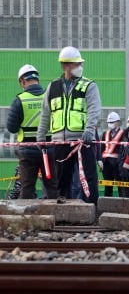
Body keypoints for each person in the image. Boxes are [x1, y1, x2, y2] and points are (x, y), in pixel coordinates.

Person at [37, 46, 100, 203]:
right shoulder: (53, 87)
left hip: (82, 141)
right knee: (61, 180)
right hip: (60, 142)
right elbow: (45, 113)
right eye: (76, 64)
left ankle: (91, 207)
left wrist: (89, 131)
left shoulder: (89, 85)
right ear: (66, 66)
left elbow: (94, 110)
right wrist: (40, 136)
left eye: (80, 64)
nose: (80, 67)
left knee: (88, 177)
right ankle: (62, 211)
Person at [7, 64, 58, 199]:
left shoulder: (19, 100)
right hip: (48, 149)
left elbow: (11, 128)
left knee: (27, 187)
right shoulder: (50, 97)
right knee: (51, 185)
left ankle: (28, 217)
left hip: (27, 151)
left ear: (22, 81)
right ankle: (55, 216)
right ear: (38, 79)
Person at [101, 112, 126, 197]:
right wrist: (100, 160)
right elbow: (102, 147)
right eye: (109, 122)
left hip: (117, 164)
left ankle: (122, 205)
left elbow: (124, 149)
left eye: (112, 122)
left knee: (120, 186)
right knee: (108, 186)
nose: (110, 124)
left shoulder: (123, 133)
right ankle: (107, 205)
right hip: (106, 163)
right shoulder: (105, 133)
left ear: (118, 122)